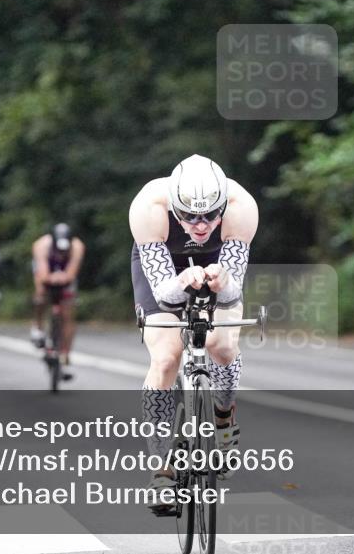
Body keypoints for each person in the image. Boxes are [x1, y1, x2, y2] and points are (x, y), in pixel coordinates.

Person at [128, 154, 257, 504]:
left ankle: (224, 416)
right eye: (188, 217)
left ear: (222, 207)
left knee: (223, 347)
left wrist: (221, 280)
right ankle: (161, 469)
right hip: (164, 270)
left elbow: (232, 292)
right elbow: (164, 297)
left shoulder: (241, 205)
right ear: (173, 206)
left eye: (210, 216)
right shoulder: (148, 207)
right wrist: (182, 279)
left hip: (218, 264)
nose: (200, 226)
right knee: (167, 358)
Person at [30, 223, 85, 380]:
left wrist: (65, 277)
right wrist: (49, 278)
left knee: (68, 312)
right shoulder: (42, 245)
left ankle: (65, 356)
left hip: (65, 276)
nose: (61, 253)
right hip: (46, 271)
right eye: (59, 250)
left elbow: (72, 273)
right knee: (40, 294)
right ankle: (37, 327)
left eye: (64, 250)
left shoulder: (77, 246)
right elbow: (42, 273)